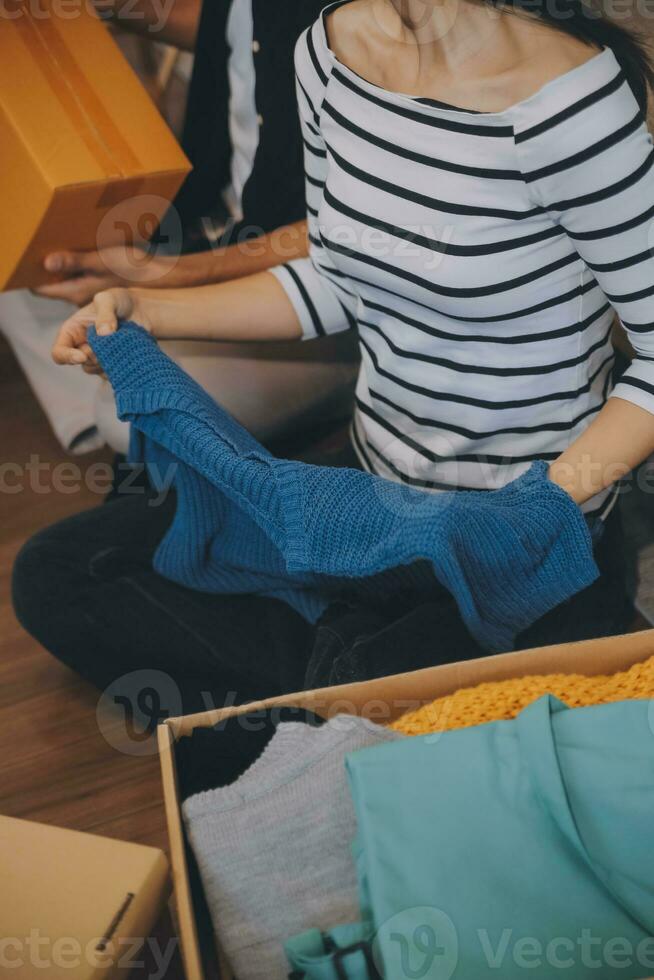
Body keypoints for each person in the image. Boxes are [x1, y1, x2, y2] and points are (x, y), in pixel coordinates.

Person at [14, 0, 654, 714]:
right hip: (372, 497)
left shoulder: (575, 106)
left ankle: (355, 679)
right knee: (61, 572)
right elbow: (335, 273)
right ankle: (356, 681)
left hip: (519, 541)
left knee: (351, 686)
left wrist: (535, 512)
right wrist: (147, 311)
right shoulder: (328, 47)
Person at [0, 0, 357, 454]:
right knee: (22, 255)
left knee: (134, 413)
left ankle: (338, 397)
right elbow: (239, 29)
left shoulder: (374, 32)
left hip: (332, 296)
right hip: (212, 224)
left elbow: (349, 230)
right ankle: (118, 437)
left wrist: (163, 275)